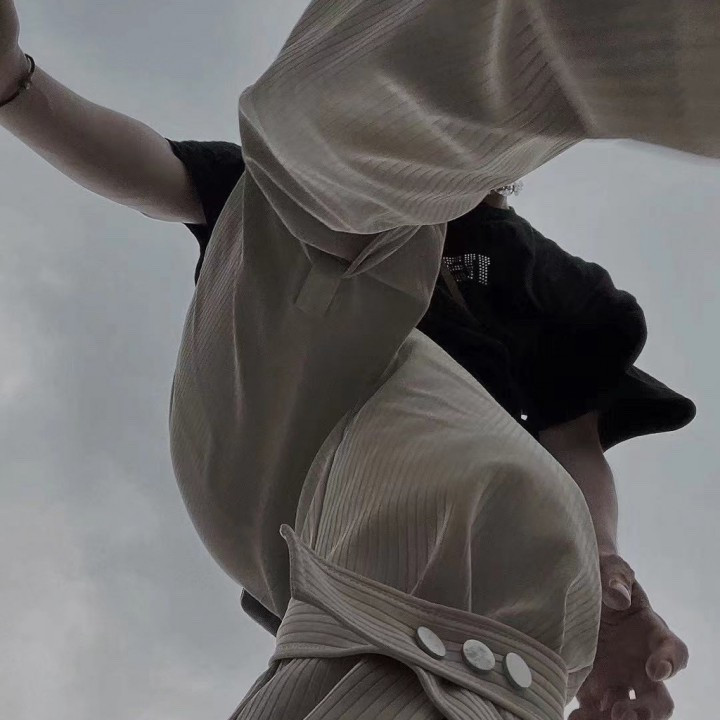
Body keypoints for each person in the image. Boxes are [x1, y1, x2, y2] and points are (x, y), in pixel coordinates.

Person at [1, 1, 715, 718]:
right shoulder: (293, 188)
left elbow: (575, 443)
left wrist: (596, 572)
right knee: (313, 181)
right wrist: (15, 86)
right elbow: (154, 173)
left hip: (384, 532)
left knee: (514, 515)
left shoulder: (536, 273)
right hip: (280, 420)